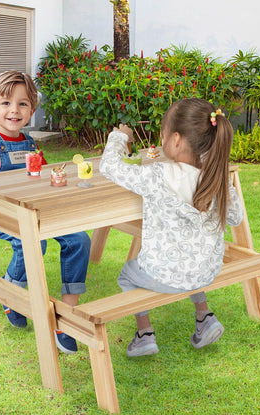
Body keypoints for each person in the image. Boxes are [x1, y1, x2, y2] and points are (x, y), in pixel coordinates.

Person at [99, 98, 244, 357]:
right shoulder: (216, 178)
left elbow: (109, 166)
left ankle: (144, 334)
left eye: (163, 134)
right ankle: (204, 317)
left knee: (127, 274)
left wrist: (118, 137)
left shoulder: (156, 176)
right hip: (206, 271)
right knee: (189, 258)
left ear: (176, 139)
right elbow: (235, 218)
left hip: (166, 275)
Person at [0, 70, 91, 354]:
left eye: (23, 104)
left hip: (34, 211)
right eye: (5, 104)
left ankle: (67, 314)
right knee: (33, 240)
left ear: (32, 110)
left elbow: (44, 176)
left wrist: (57, 179)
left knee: (80, 240)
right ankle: (11, 294)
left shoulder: (31, 143)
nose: (14, 110)